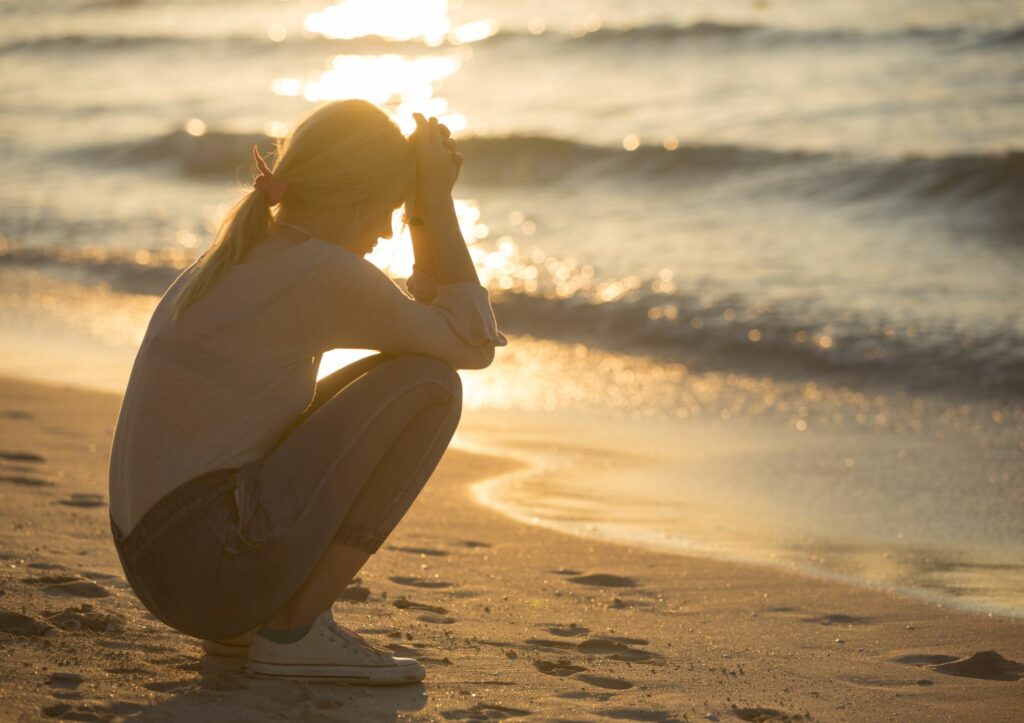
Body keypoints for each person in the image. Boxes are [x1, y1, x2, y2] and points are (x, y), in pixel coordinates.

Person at [106, 100, 507, 685]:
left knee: (411, 370)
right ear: (349, 199)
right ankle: (293, 628)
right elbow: (471, 346)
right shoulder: (320, 272)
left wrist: (420, 208)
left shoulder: (236, 257)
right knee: (432, 386)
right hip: (207, 566)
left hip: (165, 566)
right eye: (390, 210)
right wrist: (435, 207)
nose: (385, 232)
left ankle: (258, 625)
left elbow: (426, 327)